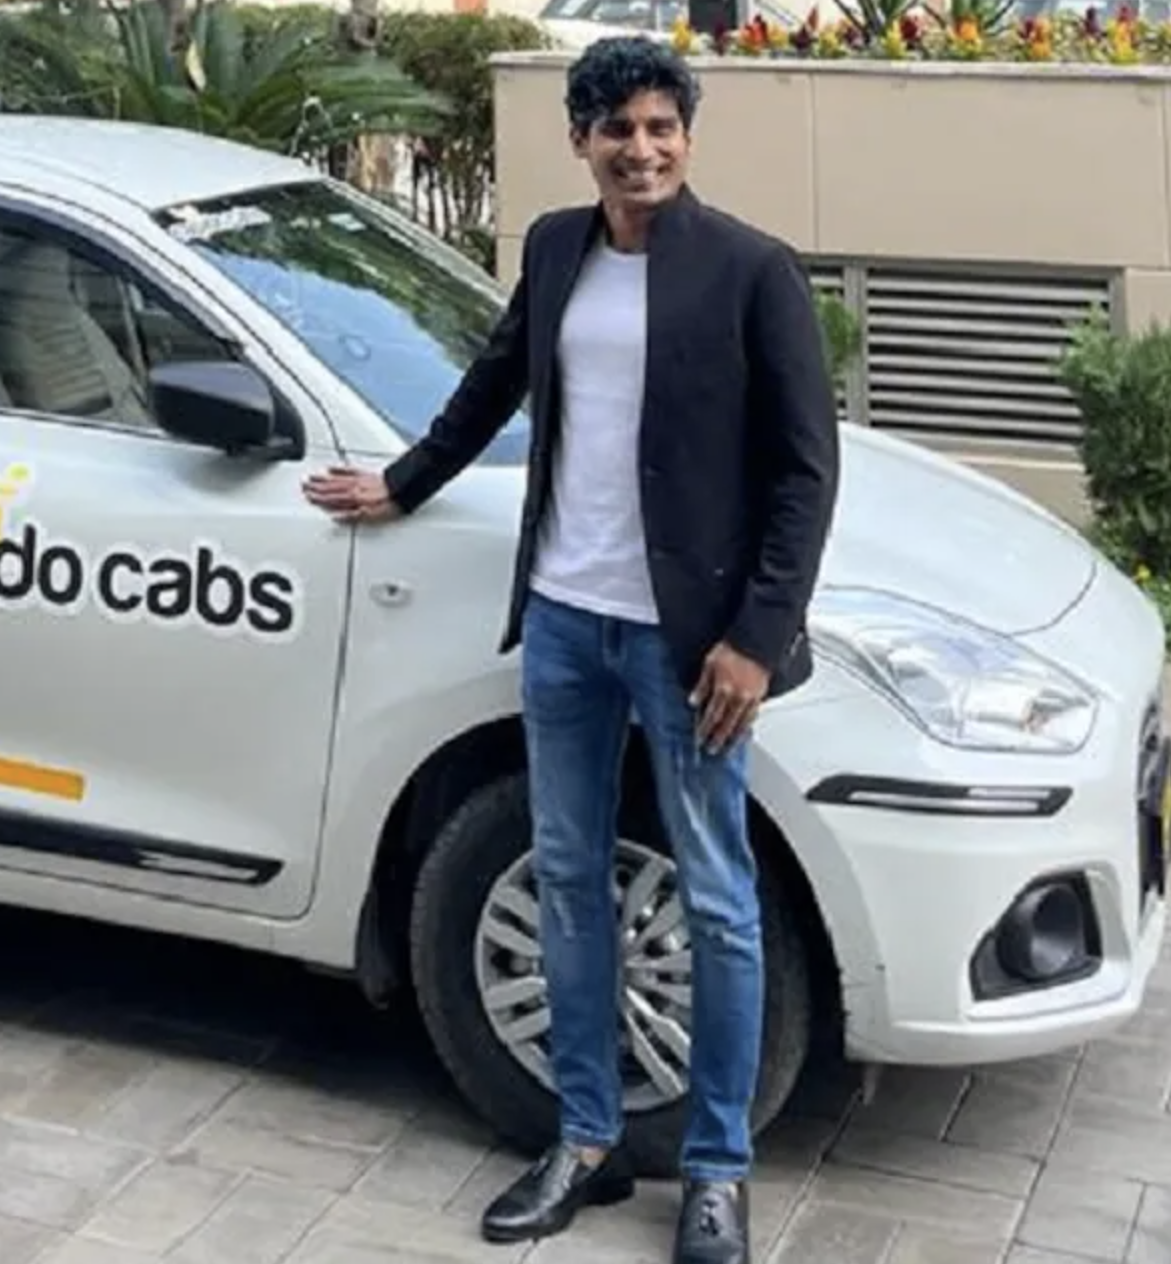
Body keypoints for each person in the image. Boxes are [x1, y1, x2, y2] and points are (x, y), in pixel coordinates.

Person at [301, 36, 837, 1264]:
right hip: (561, 620)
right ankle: (586, 1139)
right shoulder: (555, 249)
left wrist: (756, 640)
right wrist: (401, 482)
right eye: (618, 129)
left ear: (685, 136)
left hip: (689, 643)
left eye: (660, 127)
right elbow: (492, 384)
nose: (641, 149)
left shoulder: (751, 271)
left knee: (717, 895)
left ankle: (716, 1167)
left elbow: (805, 474)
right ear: (581, 140)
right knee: (567, 878)